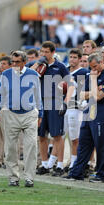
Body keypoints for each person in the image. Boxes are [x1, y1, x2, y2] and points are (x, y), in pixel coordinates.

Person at [0, 50, 43, 187]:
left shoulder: (33, 75)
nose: (14, 64)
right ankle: (13, 178)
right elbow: (0, 95)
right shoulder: (6, 74)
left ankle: (29, 177)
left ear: (24, 62)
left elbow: (38, 95)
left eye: (17, 62)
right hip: (11, 114)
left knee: (31, 146)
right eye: (12, 62)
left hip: (29, 113)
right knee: (10, 148)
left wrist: (41, 113)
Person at [64, 53, 104, 182]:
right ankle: (77, 172)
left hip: (101, 112)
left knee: (101, 144)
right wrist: (93, 90)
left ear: (102, 62)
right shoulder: (90, 74)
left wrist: (93, 81)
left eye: (95, 66)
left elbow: (98, 97)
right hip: (88, 111)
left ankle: (102, 174)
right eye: (91, 67)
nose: (93, 70)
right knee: (84, 143)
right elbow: (81, 94)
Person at [33, 41, 75, 176]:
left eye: (46, 52)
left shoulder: (60, 66)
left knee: (57, 135)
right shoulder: (39, 65)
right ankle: (45, 164)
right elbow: (27, 75)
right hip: (40, 102)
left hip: (55, 102)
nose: (44, 54)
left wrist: (65, 102)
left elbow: (71, 84)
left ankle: (60, 165)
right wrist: (38, 63)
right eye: (42, 52)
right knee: (41, 135)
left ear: (52, 52)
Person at [64, 48, 89, 172]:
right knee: (68, 137)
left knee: (76, 139)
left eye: (75, 57)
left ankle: (75, 164)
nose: (72, 60)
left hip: (76, 107)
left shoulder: (83, 72)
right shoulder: (67, 71)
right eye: (71, 57)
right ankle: (72, 162)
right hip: (66, 107)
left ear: (79, 59)